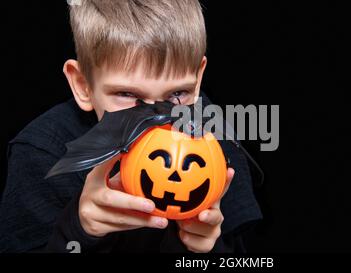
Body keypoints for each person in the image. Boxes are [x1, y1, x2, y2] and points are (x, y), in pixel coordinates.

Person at [0, 0, 262, 253]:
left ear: (196, 83)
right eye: (127, 95)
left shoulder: (208, 132)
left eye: (176, 94)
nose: (155, 117)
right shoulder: (42, 152)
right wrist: (78, 230)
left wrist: (203, 246)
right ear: (83, 85)